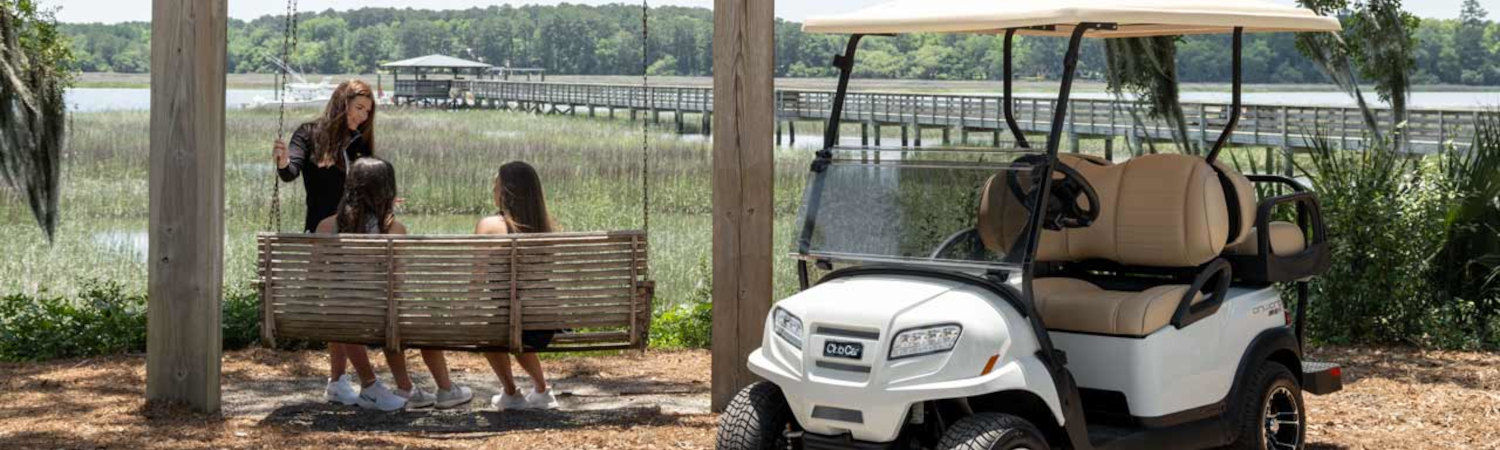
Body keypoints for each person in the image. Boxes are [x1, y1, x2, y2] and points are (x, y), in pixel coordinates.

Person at [315, 157, 474, 411]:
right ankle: (438, 388)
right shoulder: (394, 230)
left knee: (346, 310)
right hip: (380, 316)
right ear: (387, 190)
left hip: (339, 317)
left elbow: (316, 279)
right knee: (398, 314)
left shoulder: (325, 226)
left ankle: (400, 388)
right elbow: (397, 283)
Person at [271, 80, 376, 406]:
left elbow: (366, 186)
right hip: (322, 233)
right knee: (341, 307)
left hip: (353, 234)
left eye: (367, 112)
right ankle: (362, 384)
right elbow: (290, 173)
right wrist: (283, 162)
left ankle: (337, 381)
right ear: (341, 102)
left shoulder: (359, 141)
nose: (362, 117)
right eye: (359, 108)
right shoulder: (309, 133)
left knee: (339, 307)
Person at [476, 161, 560, 411]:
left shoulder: (489, 226)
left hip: (507, 324)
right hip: (544, 324)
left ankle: (511, 393)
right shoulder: (546, 228)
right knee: (518, 323)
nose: (492, 189)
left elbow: (476, 280)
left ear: (506, 192)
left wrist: (464, 308)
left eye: (495, 184)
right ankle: (542, 390)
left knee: (497, 328)